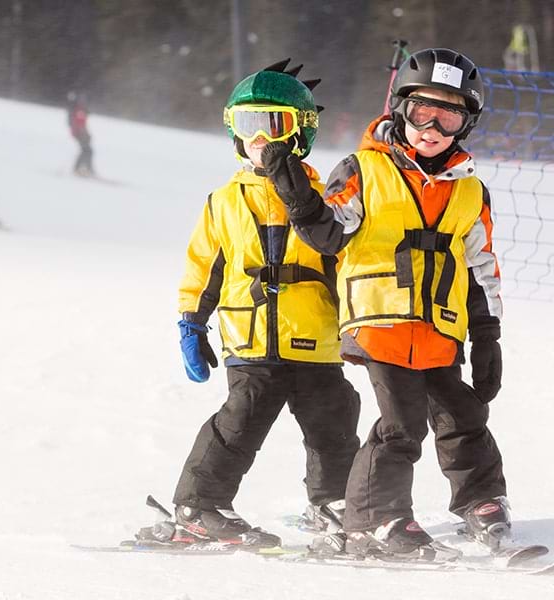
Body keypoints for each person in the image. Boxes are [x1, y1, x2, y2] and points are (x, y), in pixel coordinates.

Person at [267, 48, 509, 559]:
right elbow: (330, 235)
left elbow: (481, 268)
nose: (434, 127)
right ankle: (376, 519)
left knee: (463, 414)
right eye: (424, 111)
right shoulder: (363, 169)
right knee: (402, 424)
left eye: (450, 115)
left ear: (466, 124)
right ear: (401, 108)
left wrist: (487, 337)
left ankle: (481, 500)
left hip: (441, 327)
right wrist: (299, 199)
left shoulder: (470, 191)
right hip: (381, 319)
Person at [166, 59, 361, 547]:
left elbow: (350, 262)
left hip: (316, 337)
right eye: (247, 125)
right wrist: (192, 322)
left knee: (334, 422)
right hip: (251, 338)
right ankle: (199, 505)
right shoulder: (225, 201)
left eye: (273, 124)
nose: (260, 139)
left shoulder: (328, 198)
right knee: (239, 422)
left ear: (301, 132)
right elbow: (202, 268)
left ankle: (334, 503)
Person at [66, 92, 94, 176]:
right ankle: (82, 169)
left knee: (87, 151)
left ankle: (85, 168)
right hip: (79, 134)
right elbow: (77, 124)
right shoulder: (77, 110)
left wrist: (87, 134)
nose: (83, 102)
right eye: (82, 100)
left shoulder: (81, 110)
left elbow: (83, 124)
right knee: (87, 150)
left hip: (81, 134)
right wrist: (82, 133)